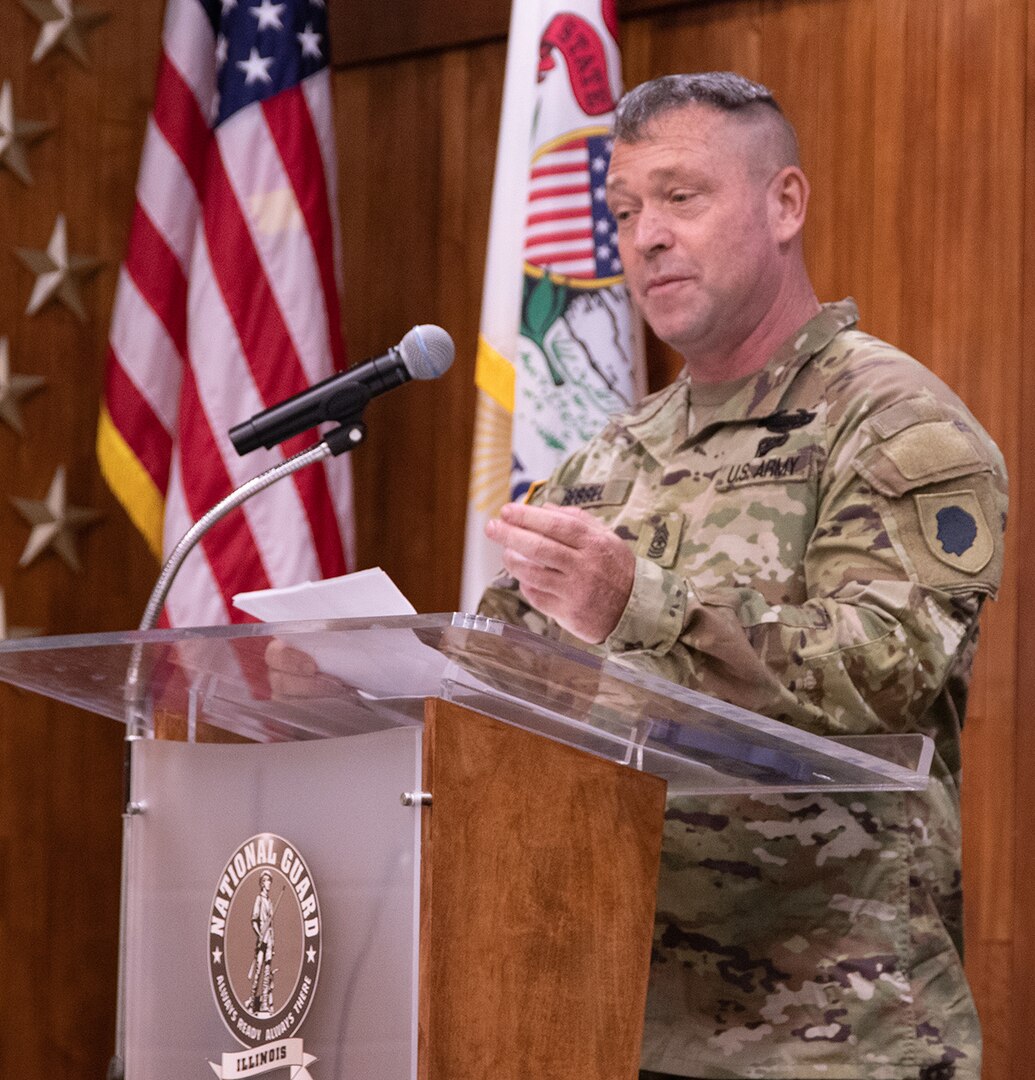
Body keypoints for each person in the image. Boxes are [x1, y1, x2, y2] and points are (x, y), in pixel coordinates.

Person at [479, 72, 1007, 1080]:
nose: (646, 237)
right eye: (625, 210)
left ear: (784, 203)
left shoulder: (893, 422)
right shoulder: (603, 462)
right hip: (607, 1020)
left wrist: (637, 604)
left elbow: (889, 672)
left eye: (683, 197)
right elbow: (505, 692)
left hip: (837, 1034)